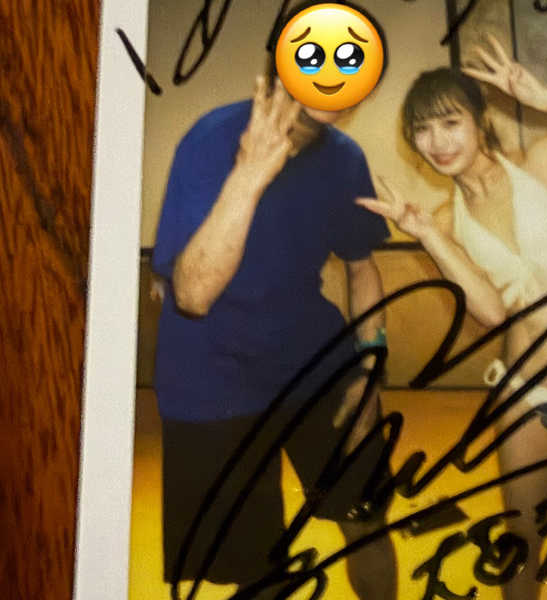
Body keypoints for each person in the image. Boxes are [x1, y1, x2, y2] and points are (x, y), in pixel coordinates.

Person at [358, 35, 547, 600]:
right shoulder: (444, 222)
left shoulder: (543, 164)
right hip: (526, 397)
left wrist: (544, 97)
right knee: (520, 544)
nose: (438, 141)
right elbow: (492, 313)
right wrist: (427, 236)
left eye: (450, 122)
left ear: (479, 121)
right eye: (423, 130)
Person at [150, 39, 397, 600]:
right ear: (278, 70)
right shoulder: (211, 140)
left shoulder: (345, 158)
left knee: (366, 519)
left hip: (314, 364)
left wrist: (369, 370)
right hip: (212, 382)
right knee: (253, 567)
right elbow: (192, 294)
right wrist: (250, 172)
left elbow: (362, 267)